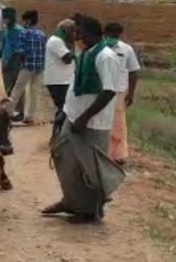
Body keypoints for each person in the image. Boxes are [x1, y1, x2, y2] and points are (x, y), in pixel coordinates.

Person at [42, 15, 121, 224]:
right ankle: (70, 201)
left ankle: (89, 211)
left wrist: (84, 119)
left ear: (88, 32)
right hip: (74, 117)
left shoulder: (106, 57)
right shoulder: (86, 53)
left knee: (91, 170)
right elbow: (74, 85)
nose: (74, 35)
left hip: (93, 124)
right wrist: (65, 112)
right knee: (65, 161)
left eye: (78, 31)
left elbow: (109, 92)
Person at [104, 22, 140, 165]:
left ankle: (119, 155)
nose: (113, 38)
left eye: (116, 35)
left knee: (118, 124)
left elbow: (133, 71)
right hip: (101, 91)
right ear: (105, 34)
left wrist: (131, 93)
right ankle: (103, 152)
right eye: (110, 35)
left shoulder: (126, 49)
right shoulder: (98, 48)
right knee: (102, 123)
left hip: (119, 91)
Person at [5, 10, 47, 125]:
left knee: (17, 90)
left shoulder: (24, 34)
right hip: (40, 67)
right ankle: (30, 116)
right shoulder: (42, 34)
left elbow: (21, 52)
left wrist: (19, 65)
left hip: (28, 66)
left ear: (28, 21)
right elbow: (44, 51)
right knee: (34, 91)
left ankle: (7, 112)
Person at [0, 7, 25, 120]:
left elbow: (19, 51)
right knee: (7, 88)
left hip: (16, 64)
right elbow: (2, 47)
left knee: (17, 88)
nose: (4, 20)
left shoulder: (19, 31)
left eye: (6, 18)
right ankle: (11, 111)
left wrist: (11, 63)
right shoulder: (5, 31)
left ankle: (20, 112)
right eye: (3, 18)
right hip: (5, 63)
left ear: (12, 18)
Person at [44, 19, 76, 123]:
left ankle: (58, 136)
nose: (74, 35)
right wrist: (73, 44)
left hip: (64, 80)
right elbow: (67, 59)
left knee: (64, 109)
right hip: (58, 81)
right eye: (72, 31)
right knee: (65, 110)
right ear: (66, 31)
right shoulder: (56, 41)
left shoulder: (60, 41)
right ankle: (58, 135)